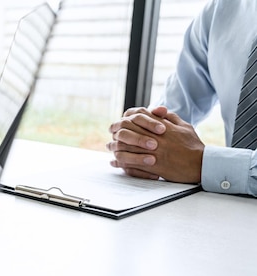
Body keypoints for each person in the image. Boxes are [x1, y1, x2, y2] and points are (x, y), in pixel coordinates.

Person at [106, 0, 257, 197]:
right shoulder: (222, 10)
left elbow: (196, 161)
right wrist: (143, 140)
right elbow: (170, 114)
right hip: (226, 214)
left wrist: (203, 163)